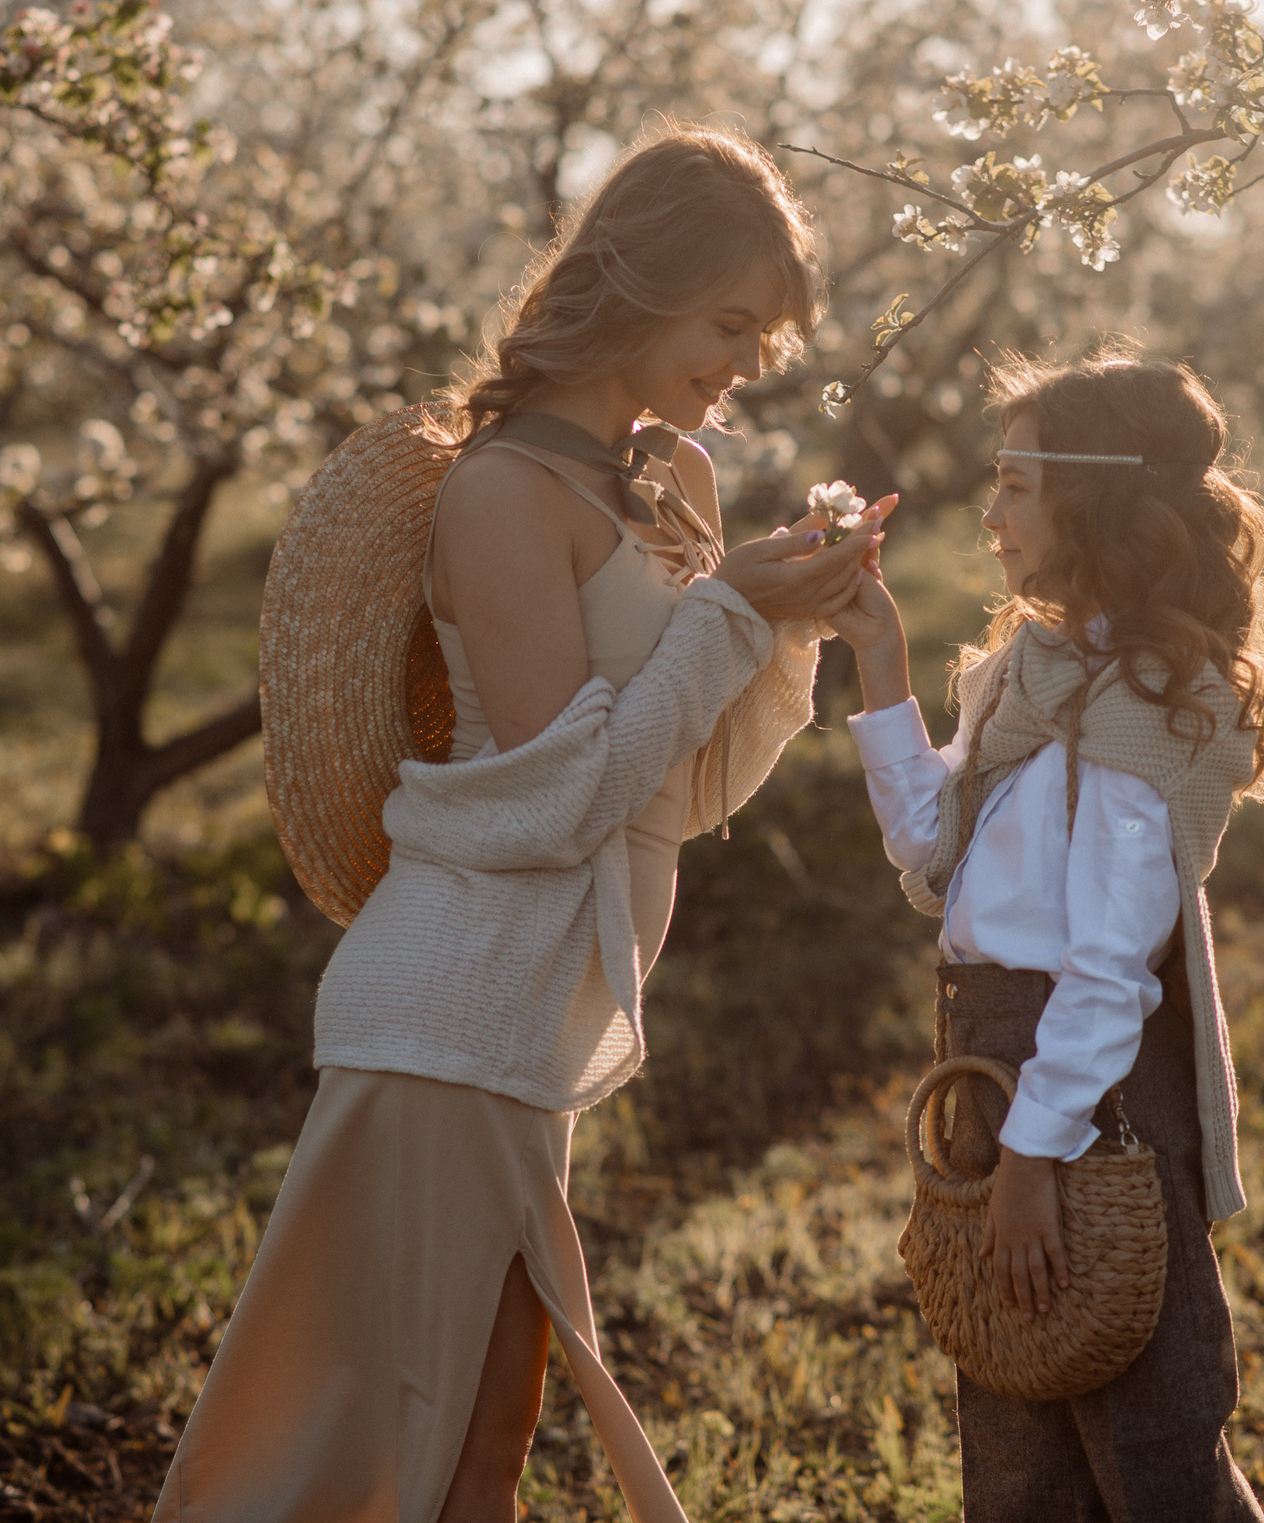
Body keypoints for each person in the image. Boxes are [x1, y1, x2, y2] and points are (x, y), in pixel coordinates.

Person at [152, 124, 876, 1523]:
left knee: (482, 1434)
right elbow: (563, 793)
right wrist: (734, 610)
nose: (747, 363)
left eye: (767, 338)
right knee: (399, 1446)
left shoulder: (663, 485)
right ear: (633, 282)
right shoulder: (500, 492)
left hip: (527, 1012)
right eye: (730, 322)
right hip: (456, 1000)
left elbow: (685, 794)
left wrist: (794, 633)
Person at [825, 343, 1264, 1520]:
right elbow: (929, 856)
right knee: (1019, 1426)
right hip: (996, 1072)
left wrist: (1036, 1159)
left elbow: (1107, 971)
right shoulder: (1021, 674)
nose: (989, 512)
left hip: (1089, 1098)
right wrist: (879, 659)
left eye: (1015, 483)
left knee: (1151, 1444)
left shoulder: (1158, 702)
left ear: (1093, 499)